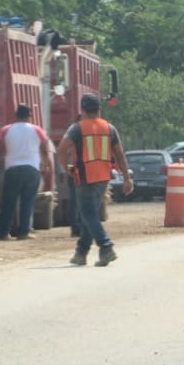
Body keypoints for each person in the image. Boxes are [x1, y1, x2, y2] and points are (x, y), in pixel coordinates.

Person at [57, 93, 130, 266]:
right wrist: (127, 178)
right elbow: (120, 155)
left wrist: (65, 166)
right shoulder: (109, 128)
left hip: (85, 177)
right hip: (104, 177)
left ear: (82, 110)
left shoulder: (77, 128)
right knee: (90, 216)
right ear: (99, 109)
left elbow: (61, 149)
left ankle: (106, 246)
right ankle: (81, 253)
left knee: (87, 214)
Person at [0, 104, 52, 240]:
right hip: (31, 169)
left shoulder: (6, 130)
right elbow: (44, 147)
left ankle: (4, 233)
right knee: (28, 201)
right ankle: (24, 232)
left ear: (16, 115)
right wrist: (46, 164)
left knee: (8, 202)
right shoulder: (37, 130)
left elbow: (0, 150)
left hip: (12, 169)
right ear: (29, 115)